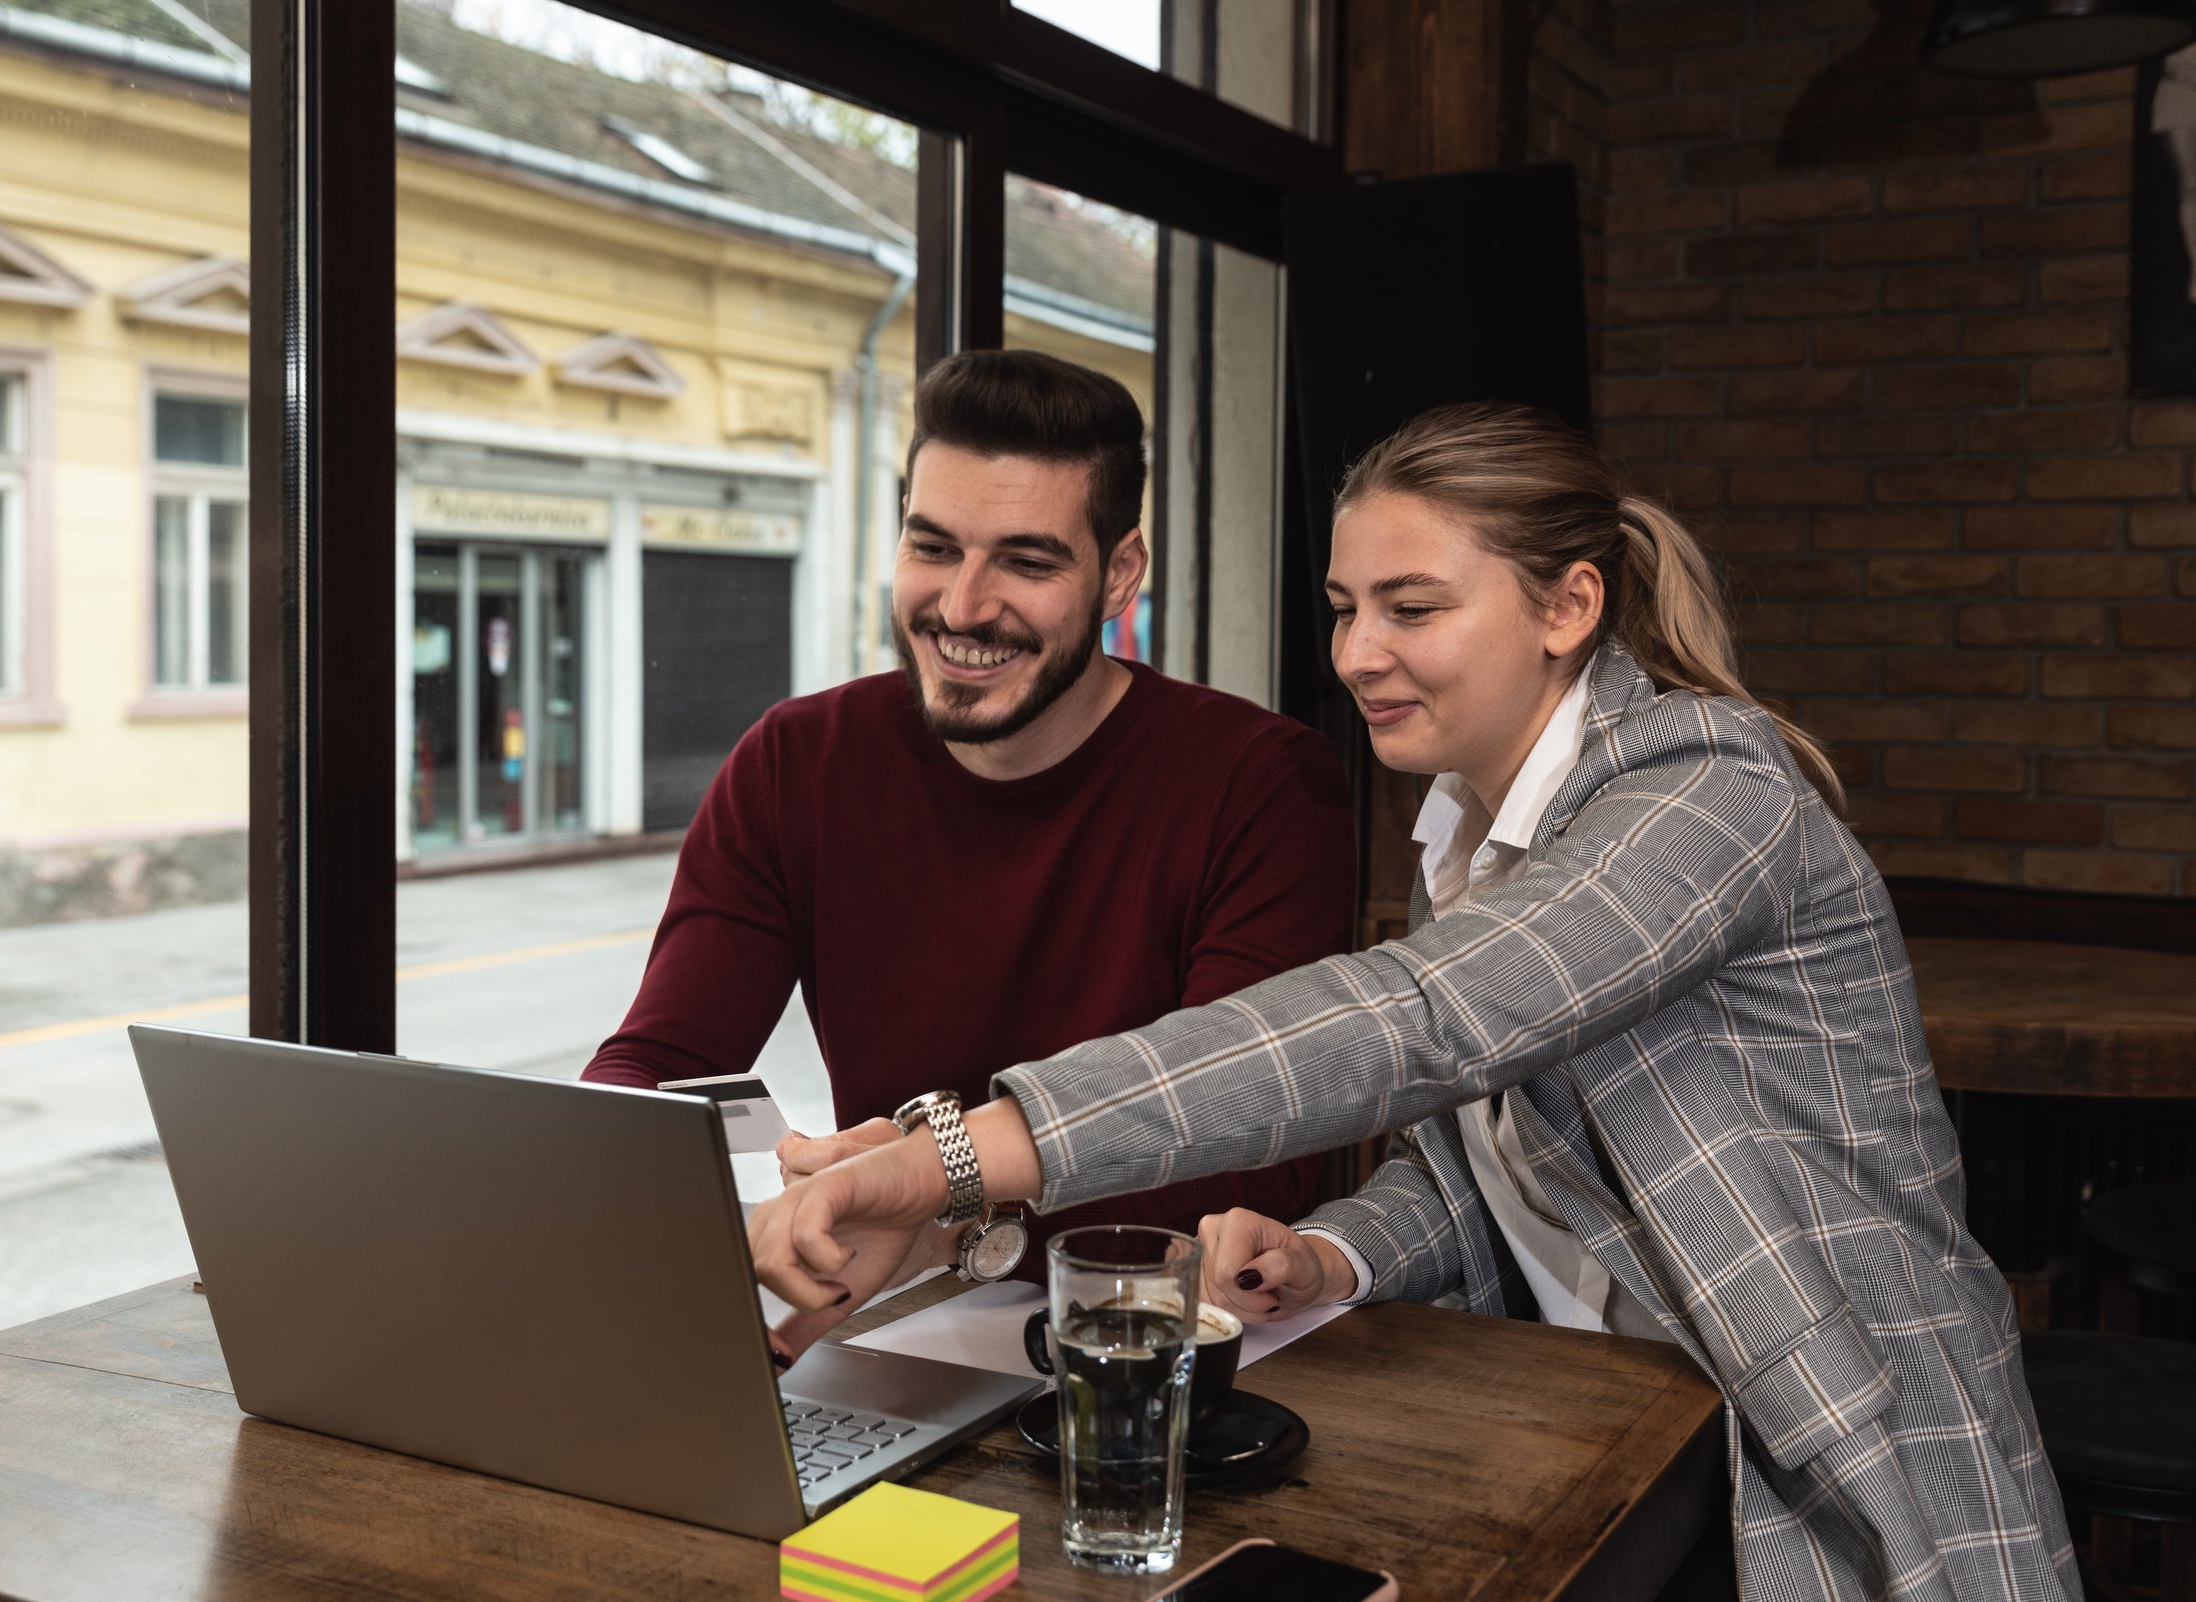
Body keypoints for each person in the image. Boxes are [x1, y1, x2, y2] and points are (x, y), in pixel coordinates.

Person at [751, 402, 2078, 1602]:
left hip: (1827, 1443)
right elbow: (1499, 1166)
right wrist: (1331, 1254)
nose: (1359, 652)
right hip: (1629, 1433)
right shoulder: (1473, 829)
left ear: (1568, 607)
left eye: (1412, 607)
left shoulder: (1710, 798)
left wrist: (950, 1165)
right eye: (1344, 607)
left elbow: (1419, 1020)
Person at [585, 348, 1351, 1273]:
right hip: (893, 1315)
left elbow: (1255, 1146)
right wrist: (748, 1174)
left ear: (1119, 575)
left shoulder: (1261, 783)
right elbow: (656, 1069)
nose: (962, 605)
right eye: (932, 546)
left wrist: (933, 1205)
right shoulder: (798, 761)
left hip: (1140, 1332)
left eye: (1026, 561)